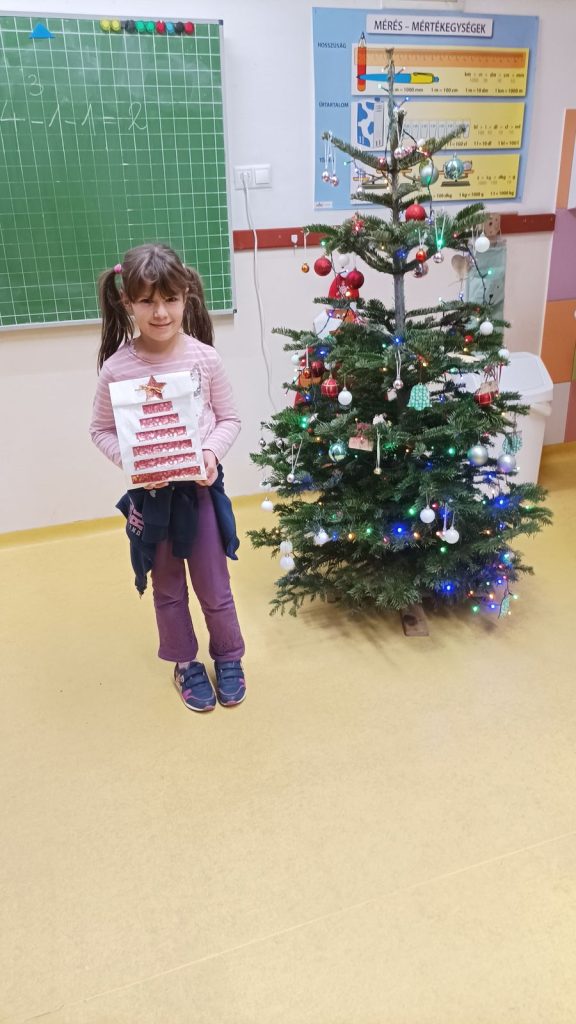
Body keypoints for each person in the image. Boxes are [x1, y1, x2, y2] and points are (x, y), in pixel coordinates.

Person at [90, 243, 246, 713]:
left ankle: (229, 656)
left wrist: (210, 453)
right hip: (153, 498)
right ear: (127, 302)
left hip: (200, 492)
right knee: (168, 588)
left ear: (186, 297)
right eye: (147, 301)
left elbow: (229, 419)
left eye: (170, 300)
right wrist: (134, 464)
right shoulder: (117, 368)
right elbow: (100, 430)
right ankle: (184, 663)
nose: (160, 313)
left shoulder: (205, 358)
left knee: (214, 585)